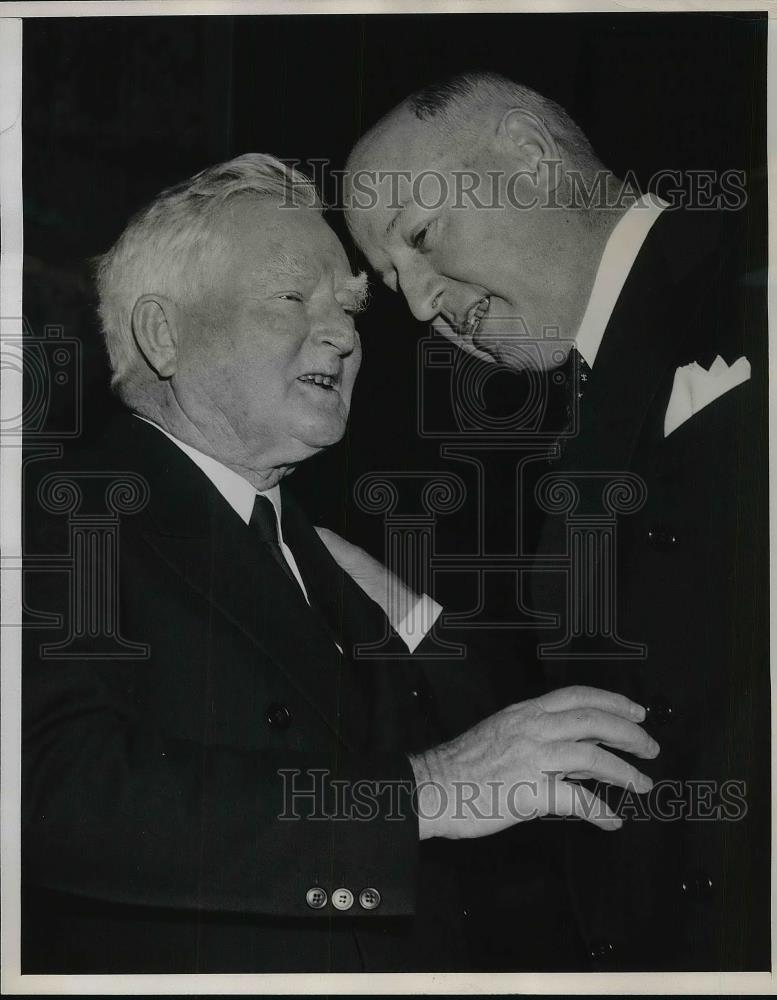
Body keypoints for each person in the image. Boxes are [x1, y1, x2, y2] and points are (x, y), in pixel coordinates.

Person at [22, 153, 658, 974]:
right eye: (292, 297)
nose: (343, 335)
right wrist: (417, 792)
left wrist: (402, 607)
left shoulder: (308, 546)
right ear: (162, 333)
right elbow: (54, 798)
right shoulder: (59, 513)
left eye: (349, 308)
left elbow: (496, 759)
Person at [341, 73, 769, 970]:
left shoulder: (749, 266)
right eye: (392, 279)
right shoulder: (571, 409)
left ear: (531, 157)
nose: (418, 305)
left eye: (419, 237)